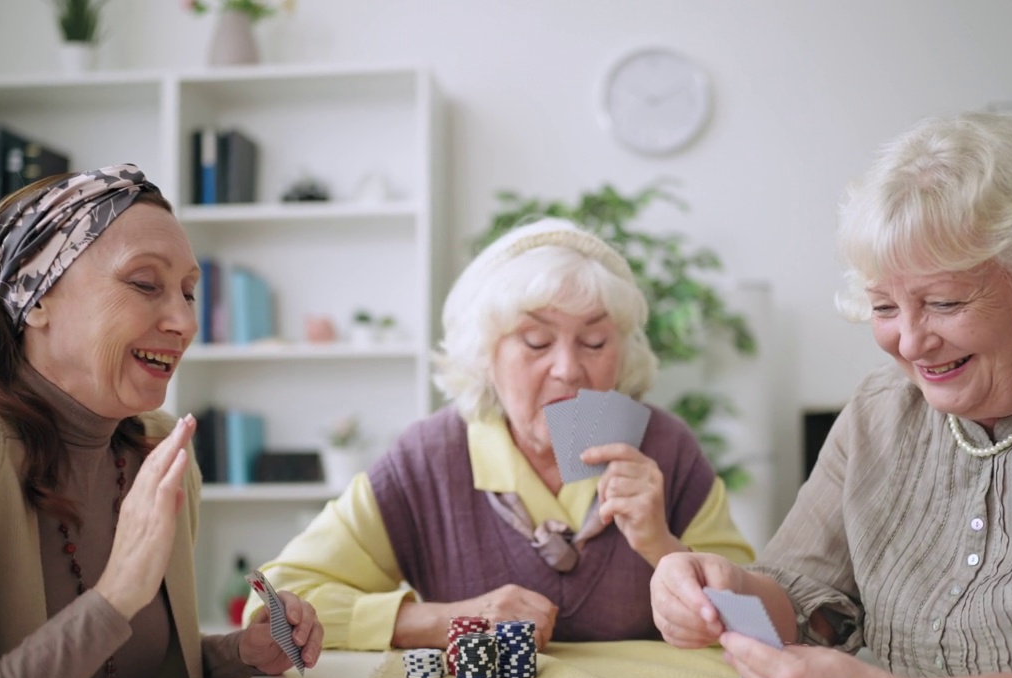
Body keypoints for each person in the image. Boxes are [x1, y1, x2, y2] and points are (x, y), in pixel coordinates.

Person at [650, 111, 1012, 678]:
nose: (908, 341)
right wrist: (726, 591)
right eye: (883, 306)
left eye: (943, 302)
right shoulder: (878, 413)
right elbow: (800, 599)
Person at [0, 165, 324, 678]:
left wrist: (239, 655)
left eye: (190, 293)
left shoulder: (158, 449)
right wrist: (117, 593)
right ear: (35, 297)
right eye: (145, 284)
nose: (183, 321)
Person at [247, 218, 755, 650]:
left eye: (595, 342)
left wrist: (662, 547)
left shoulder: (667, 449)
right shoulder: (428, 460)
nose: (568, 369)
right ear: (485, 356)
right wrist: (450, 621)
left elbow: (758, 622)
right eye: (536, 342)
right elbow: (275, 601)